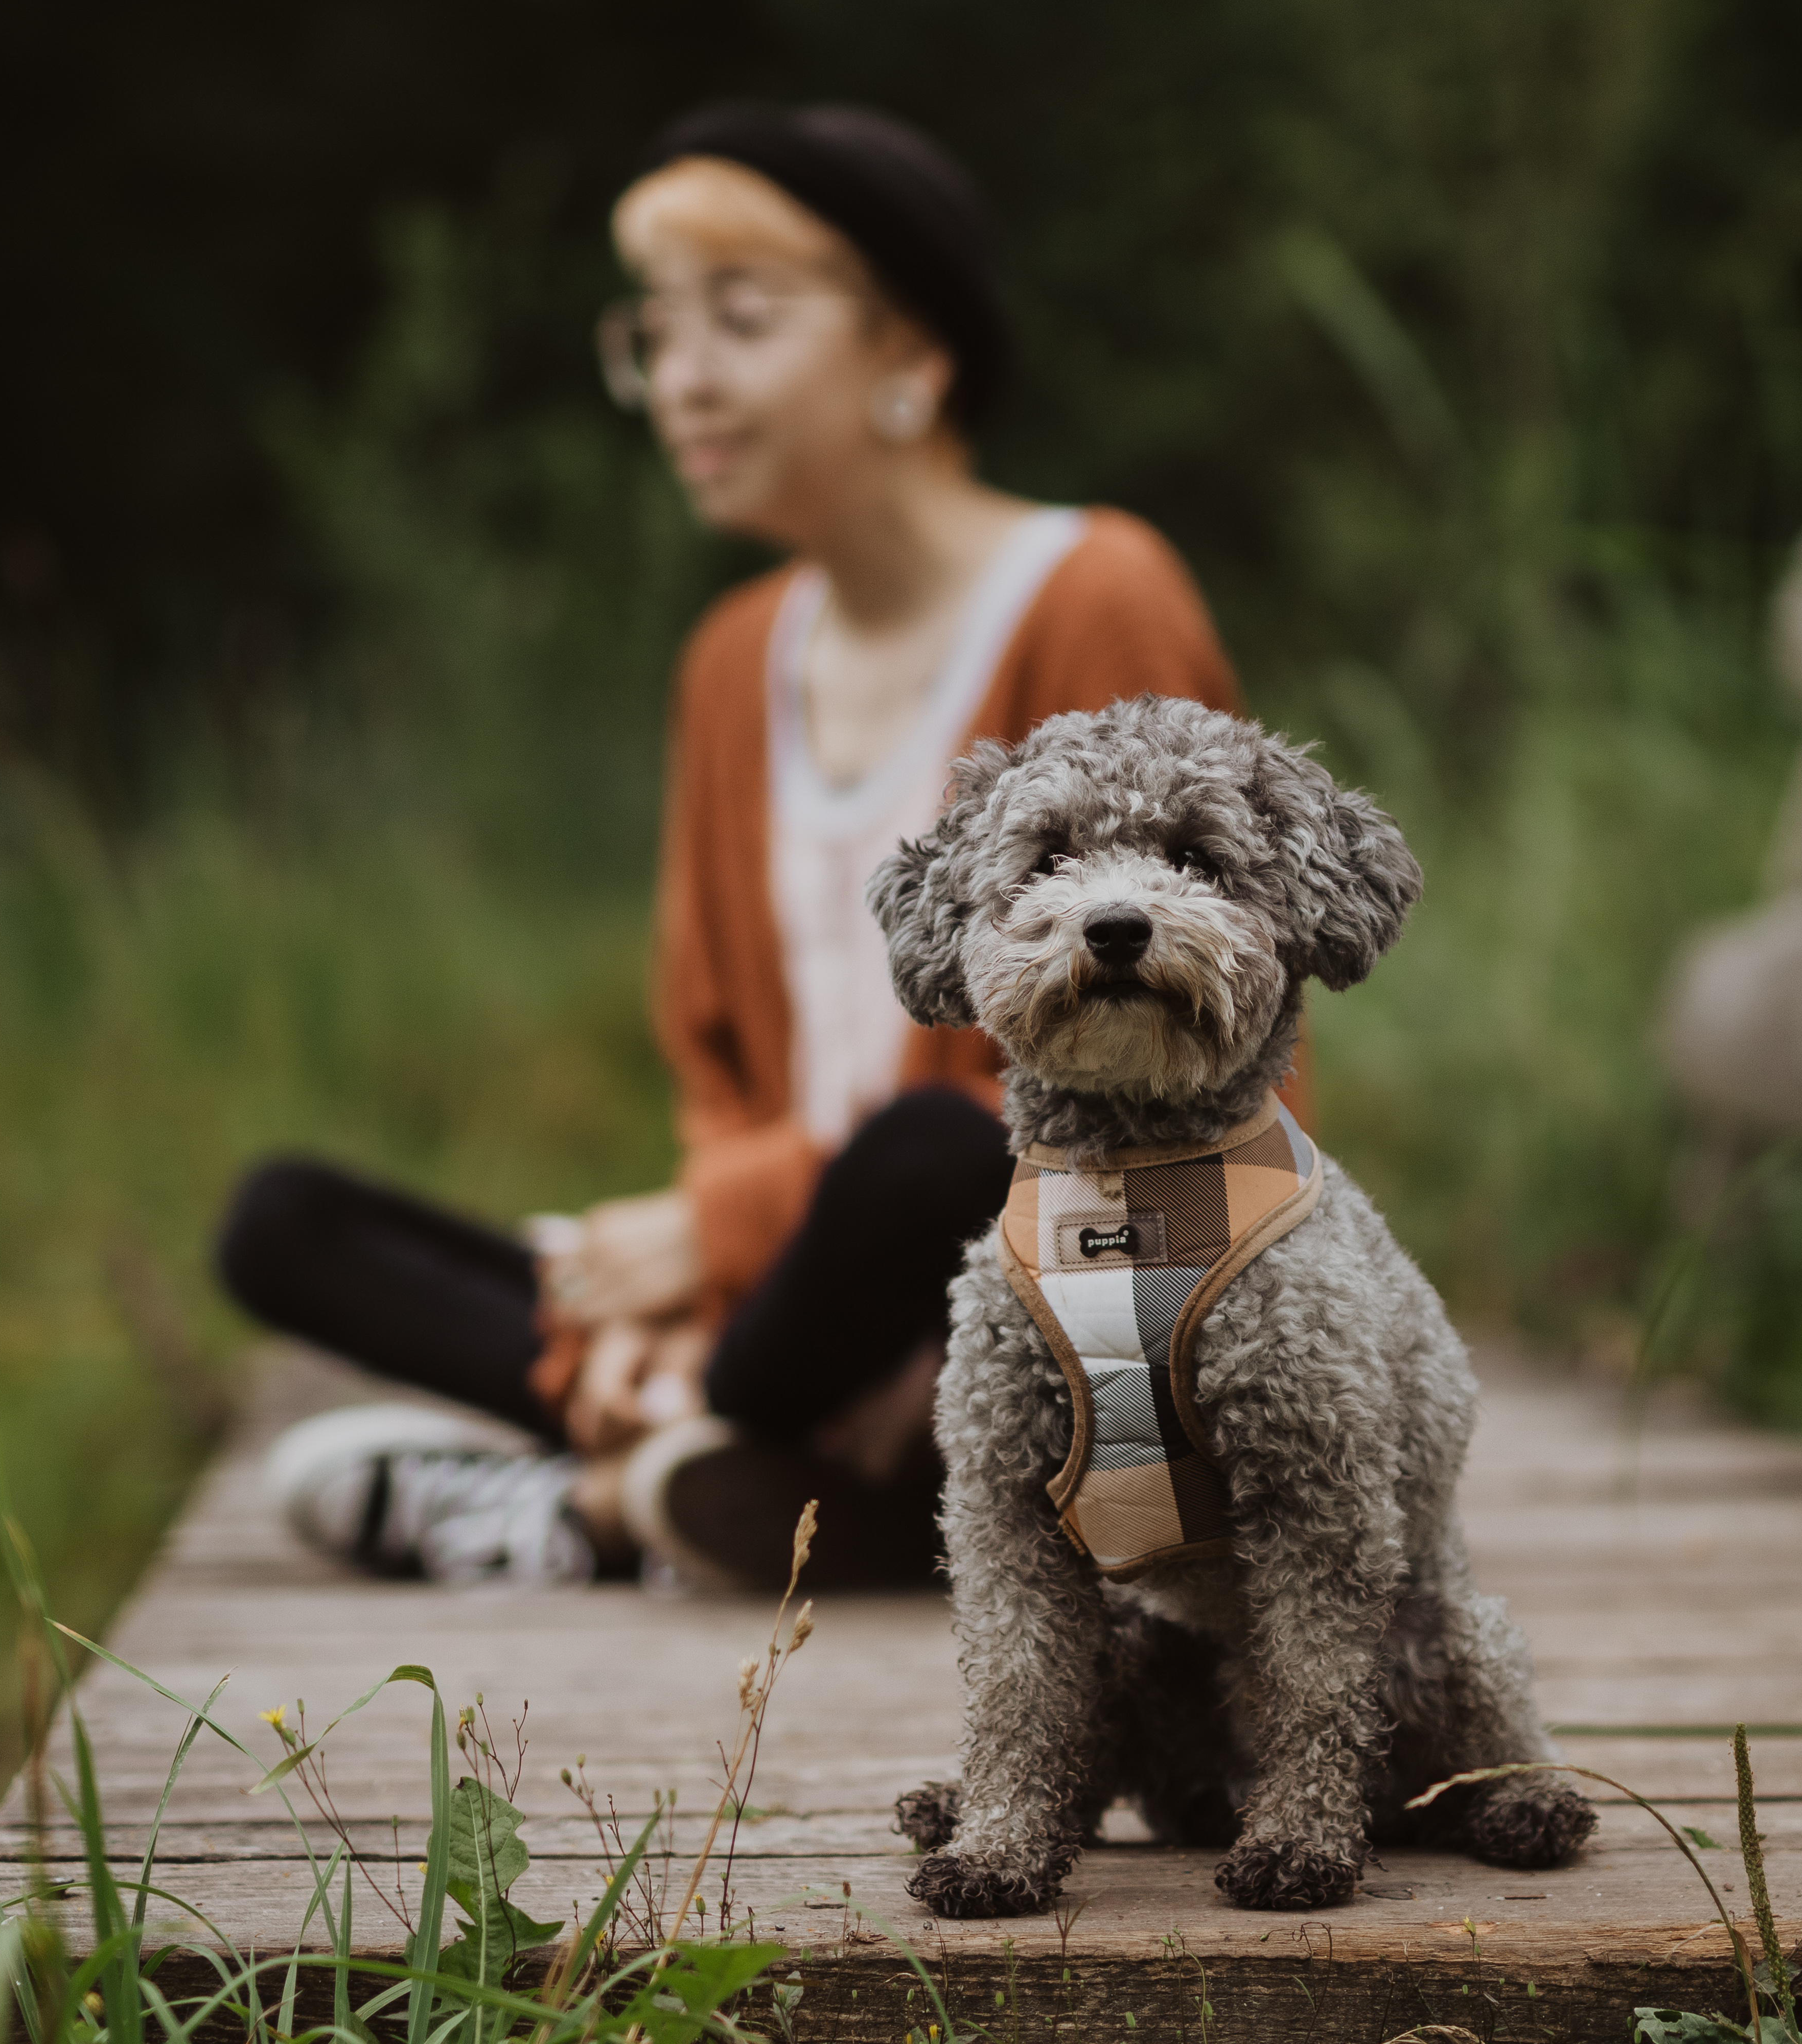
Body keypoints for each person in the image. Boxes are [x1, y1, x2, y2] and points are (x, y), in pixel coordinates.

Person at [217, 102, 1283, 1593]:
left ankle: (607, 1489)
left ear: (911, 357)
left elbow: (1168, 1043)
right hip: (798, 1293)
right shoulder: (733, 661)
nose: (681, 380)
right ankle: (720, 1447)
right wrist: (707, 1280)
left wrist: (722, 1234)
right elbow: (719, 1066)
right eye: (654, 331)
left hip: (1060, 1256)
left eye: (740, 318)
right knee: (286, 1224)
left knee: (931, 1158)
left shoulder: (1095, 594)